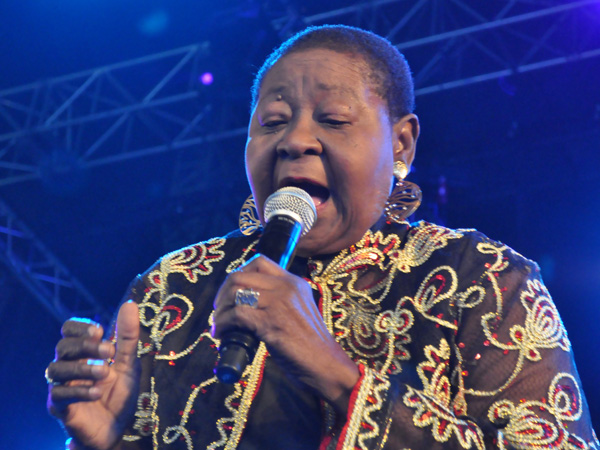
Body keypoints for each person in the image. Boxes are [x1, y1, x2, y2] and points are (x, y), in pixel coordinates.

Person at [46, 24, 599, 449]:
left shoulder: (480, 278)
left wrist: (339, 377)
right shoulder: (171, 287)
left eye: (333, 120)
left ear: (401, 146)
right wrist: (109, 440)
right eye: (271, 122)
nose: (295, 140)